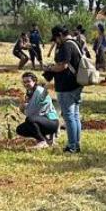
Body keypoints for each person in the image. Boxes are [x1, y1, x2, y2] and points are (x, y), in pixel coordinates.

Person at [44, 25, 84, 154]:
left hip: (66, 85)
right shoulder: (75, 43)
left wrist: (49, 68)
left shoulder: (66, 45)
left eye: (56, 39)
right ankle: (76, 144)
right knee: (75, 116)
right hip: (76, 84)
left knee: (69, 117)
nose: (56, 42)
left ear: (60, 35)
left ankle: (72, 146)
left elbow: (63, 66)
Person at [16, 71, 60, 147]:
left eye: (28, 81)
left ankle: (42, 141)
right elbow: (29, 112)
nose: (26, 84)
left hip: (51, 121)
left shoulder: (39, 91)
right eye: (24, 82)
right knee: (20, 129)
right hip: (41, 121)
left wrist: (24, 107)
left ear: (34, 81)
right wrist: (22, 106)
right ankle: (46, 140)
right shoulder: (29, 93)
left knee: (30, 120)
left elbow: (32, 112)